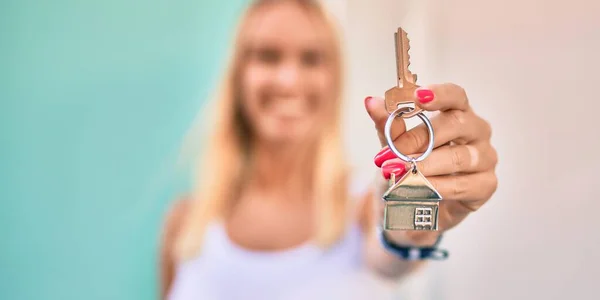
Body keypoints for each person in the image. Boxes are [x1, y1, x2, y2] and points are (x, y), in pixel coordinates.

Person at [160, 0, 498, 299]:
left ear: (334, 78)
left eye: (311, 59)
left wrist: (410, 228)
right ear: (238, 77)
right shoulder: (185, 225)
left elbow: (393, 251)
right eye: (267, 55)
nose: (289, 80)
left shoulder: (362, 210)